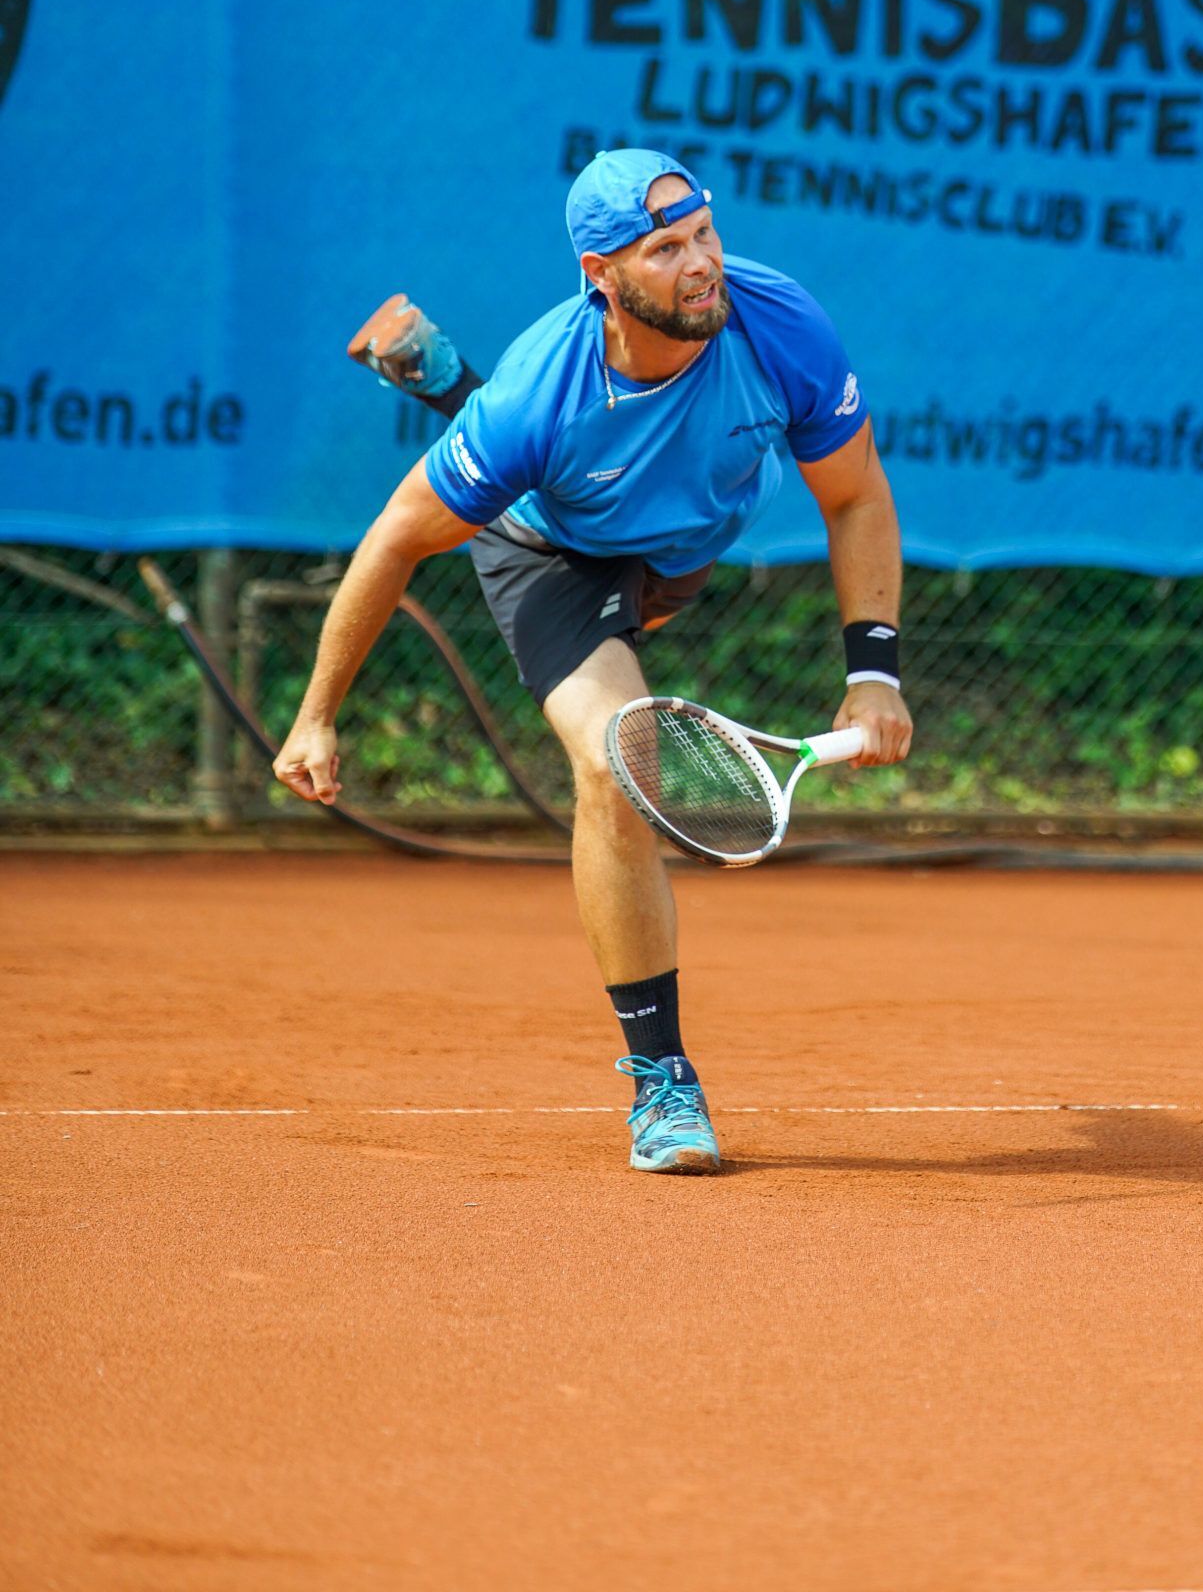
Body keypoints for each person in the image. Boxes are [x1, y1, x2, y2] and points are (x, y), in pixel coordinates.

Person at [272, 149, 912, 1174]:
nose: (702, 262)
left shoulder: (776, 318)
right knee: (622, 764)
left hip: (671, 555)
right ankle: (663, 1083)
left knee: (550, 457)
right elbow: (394, 538)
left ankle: (443, 380)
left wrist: (873, 668)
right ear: (599, 274)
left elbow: (855, 494)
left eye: (704, 232)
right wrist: (315, 714)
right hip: (554, 560)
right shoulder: (544, 392)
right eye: (666, 249)